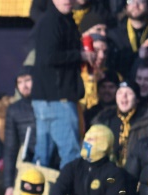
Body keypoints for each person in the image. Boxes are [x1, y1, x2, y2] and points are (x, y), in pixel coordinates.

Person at [32, 0, 95, 168]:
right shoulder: (52, 22)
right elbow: (49, 56)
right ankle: (68, 194)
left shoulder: (62, 20)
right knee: (71, 157)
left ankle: (38, 192)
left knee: (42, 158)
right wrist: (79, 55)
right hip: (58, 98)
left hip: (48, 98)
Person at [50, 124, 135, 195]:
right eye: (86, 138)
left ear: (104, 144)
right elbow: (59, 186)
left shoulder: (113, 174)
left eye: (91, 140)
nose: (86, 143)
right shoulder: (73, 167)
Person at [92, 81, 148, 166]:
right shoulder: (104, 118)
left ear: (137, 99)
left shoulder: (147, 120)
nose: (124, 97)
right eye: (120, 93)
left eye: (129, 93)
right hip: (109, 172)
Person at [3, 67, 38, 195]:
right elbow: (10, 148)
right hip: (25, 162)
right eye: (20, 82)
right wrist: (8, 185)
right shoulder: (14, 109)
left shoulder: (49, 104)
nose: (24, 85)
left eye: (28, 80)